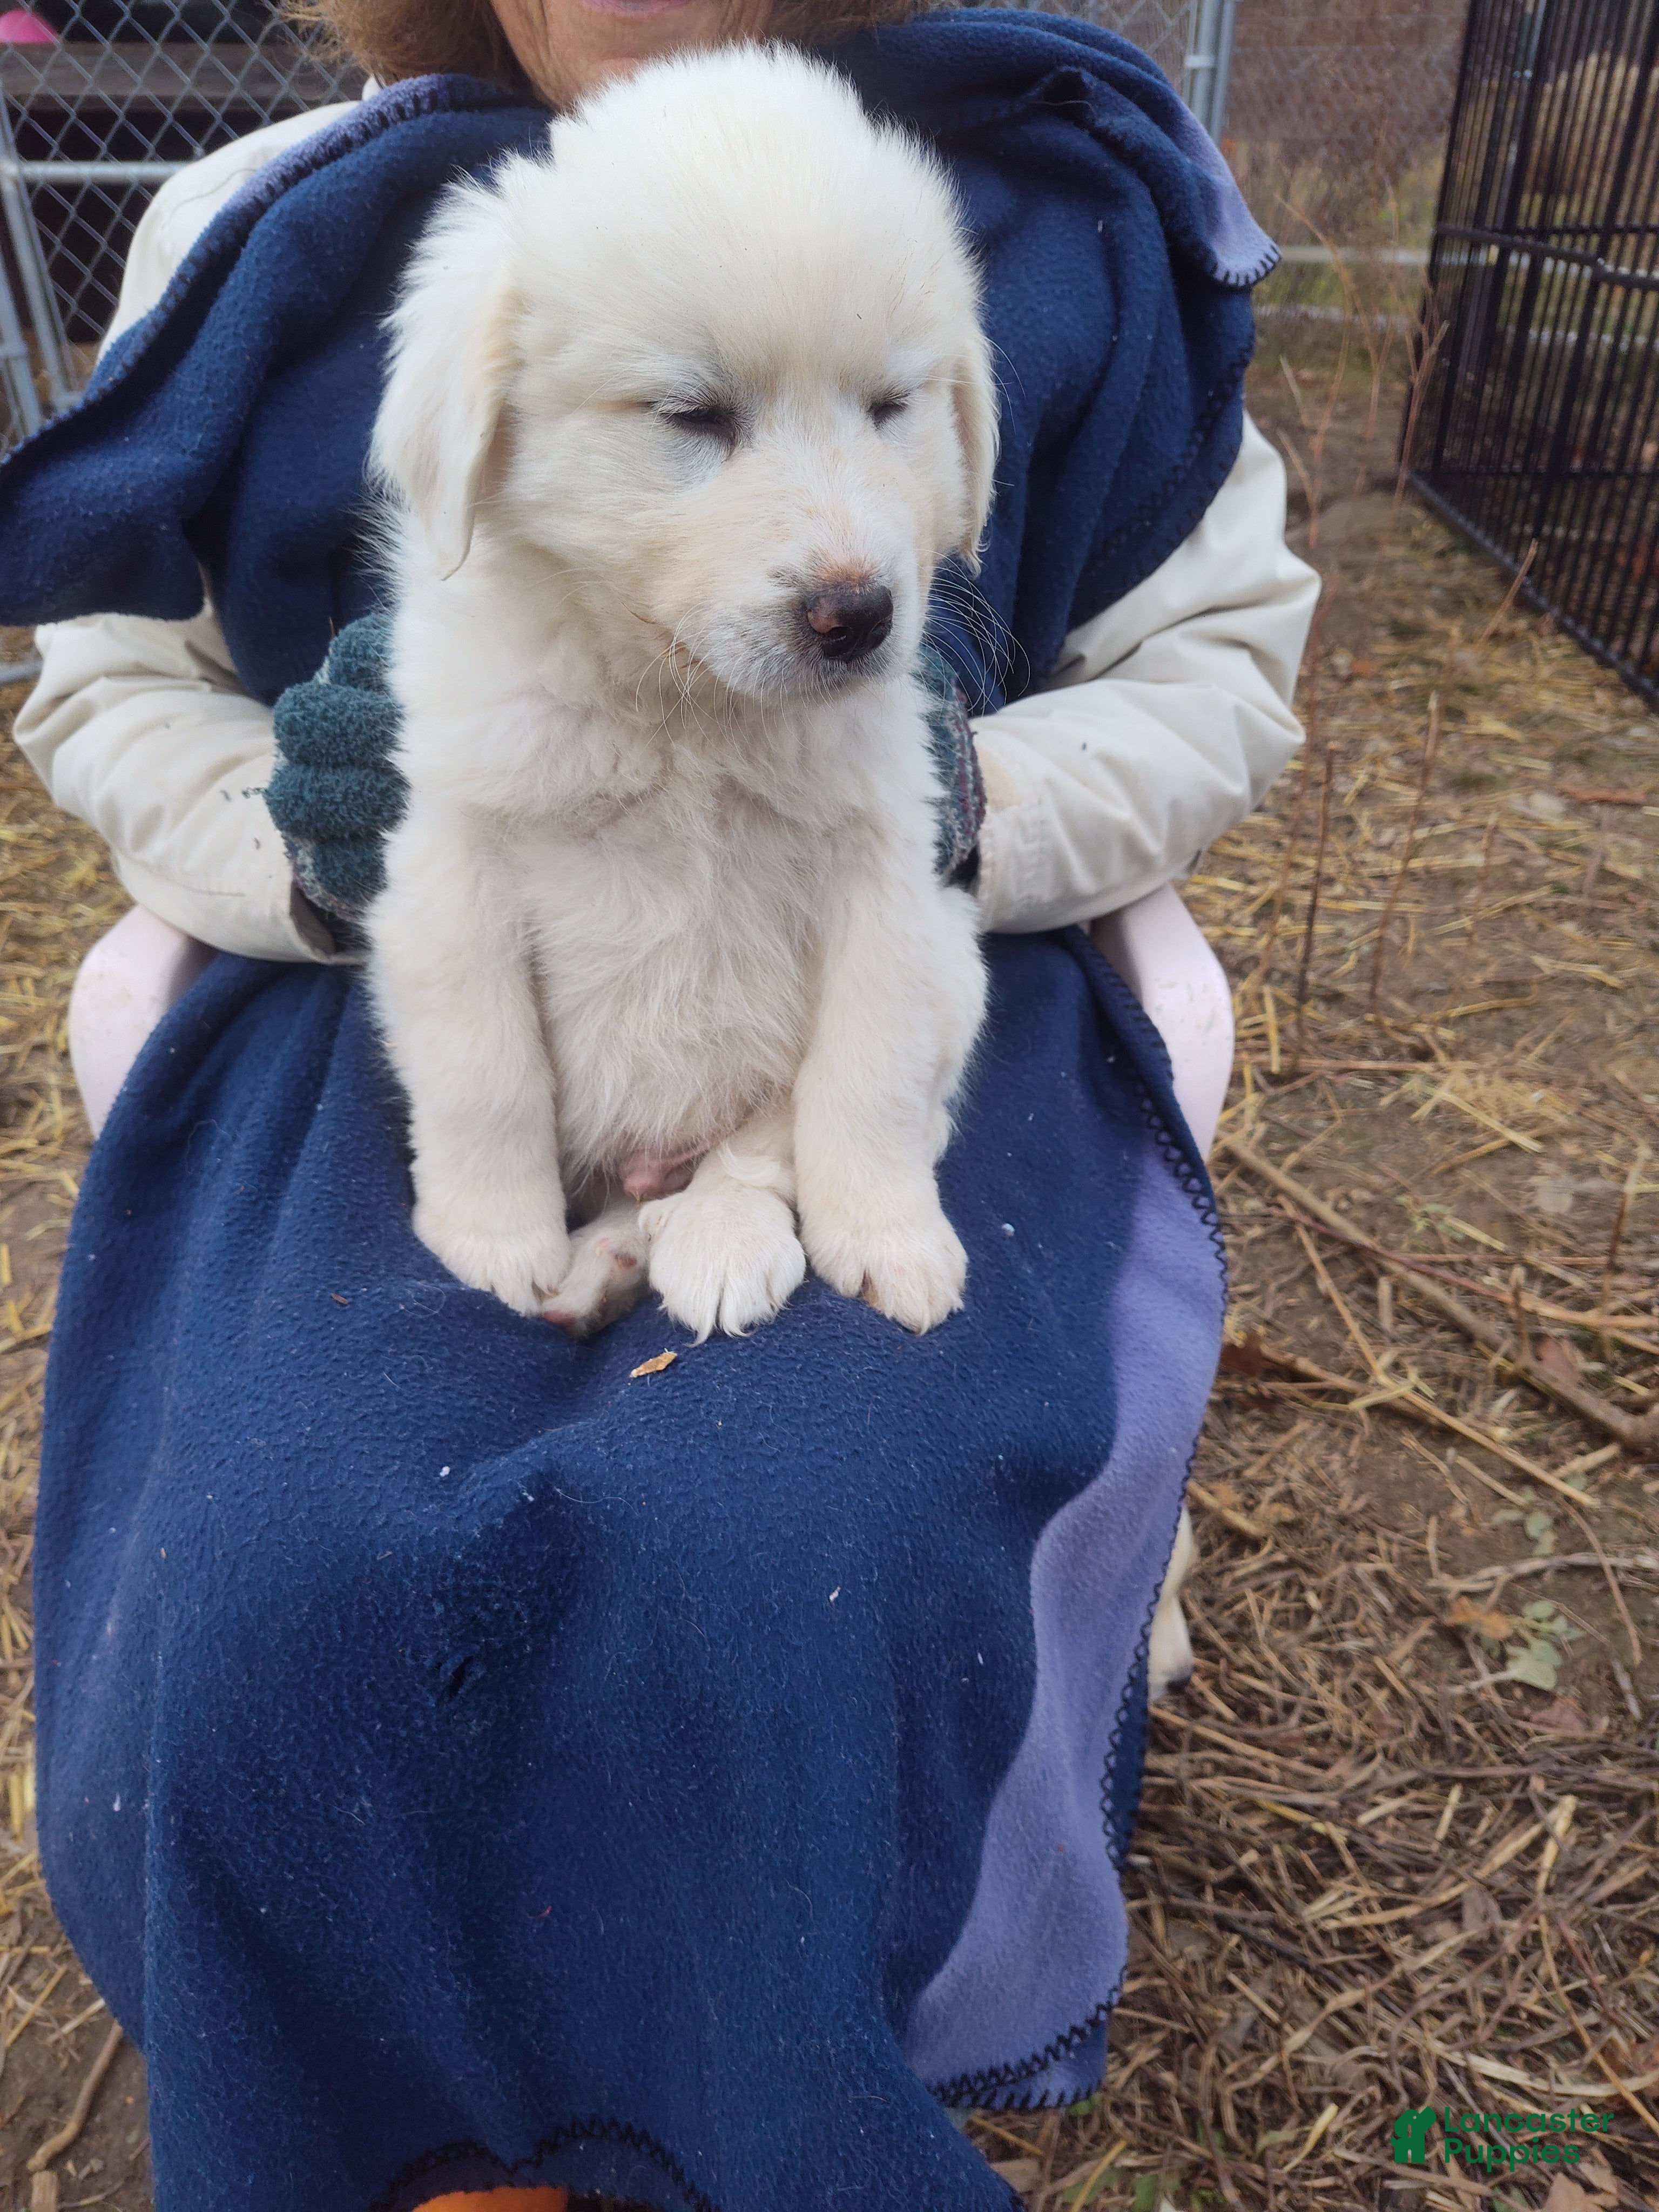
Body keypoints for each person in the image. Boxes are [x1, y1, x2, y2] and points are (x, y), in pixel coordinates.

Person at [1, 0, 1317, 2207]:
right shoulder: (285, 230)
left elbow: (1223, 678)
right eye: (697, 415)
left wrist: (972, 785)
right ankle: (388, 2112)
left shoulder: (1078, 210)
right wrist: (312, 840)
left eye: (892, 418)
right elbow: (110, 697)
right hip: (385, 1006)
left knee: (770, 1546)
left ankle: (734, 2110)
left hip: (897, 972)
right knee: (276, 1565)